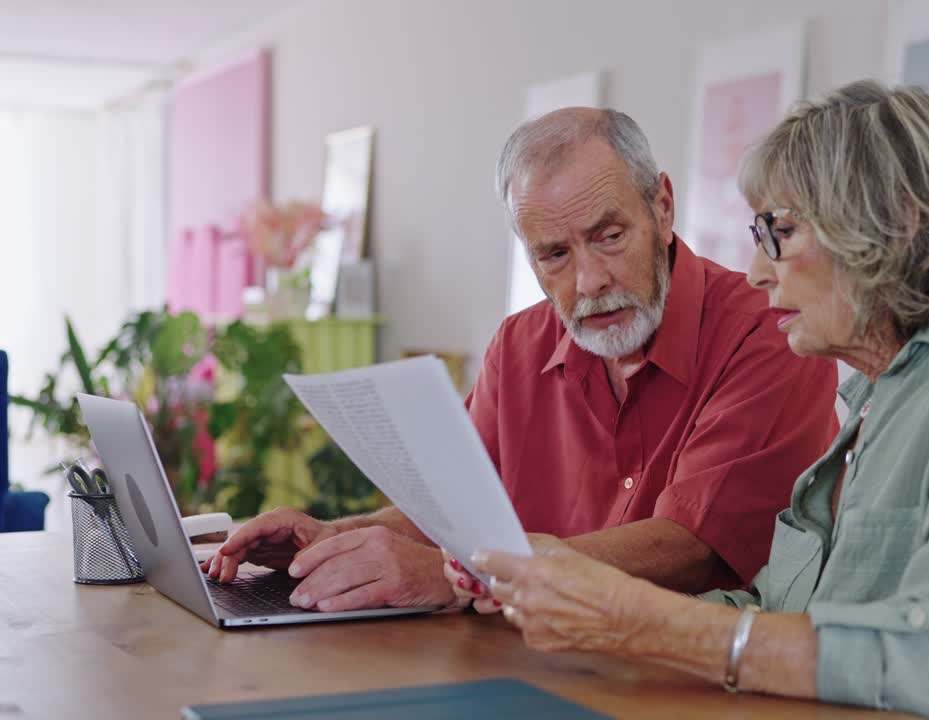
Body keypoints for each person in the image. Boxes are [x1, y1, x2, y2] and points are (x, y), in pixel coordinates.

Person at [467, 81, 929, 719]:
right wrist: (597, 613)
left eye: (782, 232)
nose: (756, 272)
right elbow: (783, 610)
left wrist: (641, 622)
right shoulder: (885, 389)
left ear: (894, 223)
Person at [202, 108, 838, 613]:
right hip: (528, 662)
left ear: (662, 208)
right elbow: (454, 513)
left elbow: (691, 548)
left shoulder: (769, 329)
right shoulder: (518, 345)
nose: (589, 282)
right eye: (554, 255)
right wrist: (333, 537)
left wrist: (468, 577)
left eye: (609, 236)